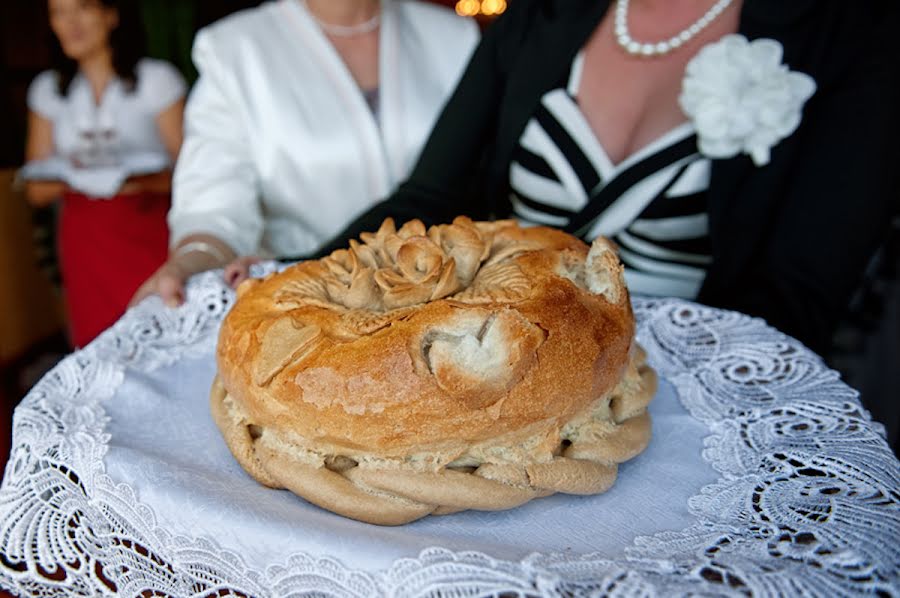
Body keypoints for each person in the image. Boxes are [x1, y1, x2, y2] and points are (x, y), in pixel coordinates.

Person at [296, 0, 900, 354]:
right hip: (490, 351)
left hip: (688, 387)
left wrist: (606, 378)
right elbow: (429, 196)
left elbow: (794, 298)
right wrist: (295, 282)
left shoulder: (849, 36)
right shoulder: (543, 12)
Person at [131, 0, 480, 307]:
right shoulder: (236, 51)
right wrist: (193, 260)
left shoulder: (455, 37)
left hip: (453, 301)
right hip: (310, 313)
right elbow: (214, 200)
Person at [25, 0, 186, 348]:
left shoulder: (156, 81)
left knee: (164, 331)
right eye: (58, 12)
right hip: (85, 239)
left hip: (150, 230)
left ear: (111, 14)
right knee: (98, 343)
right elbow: (36, 189)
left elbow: (191, 171)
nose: (71, 23)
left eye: (82, 8)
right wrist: (81, 176)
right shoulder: (50, 90)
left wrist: (133, 181)